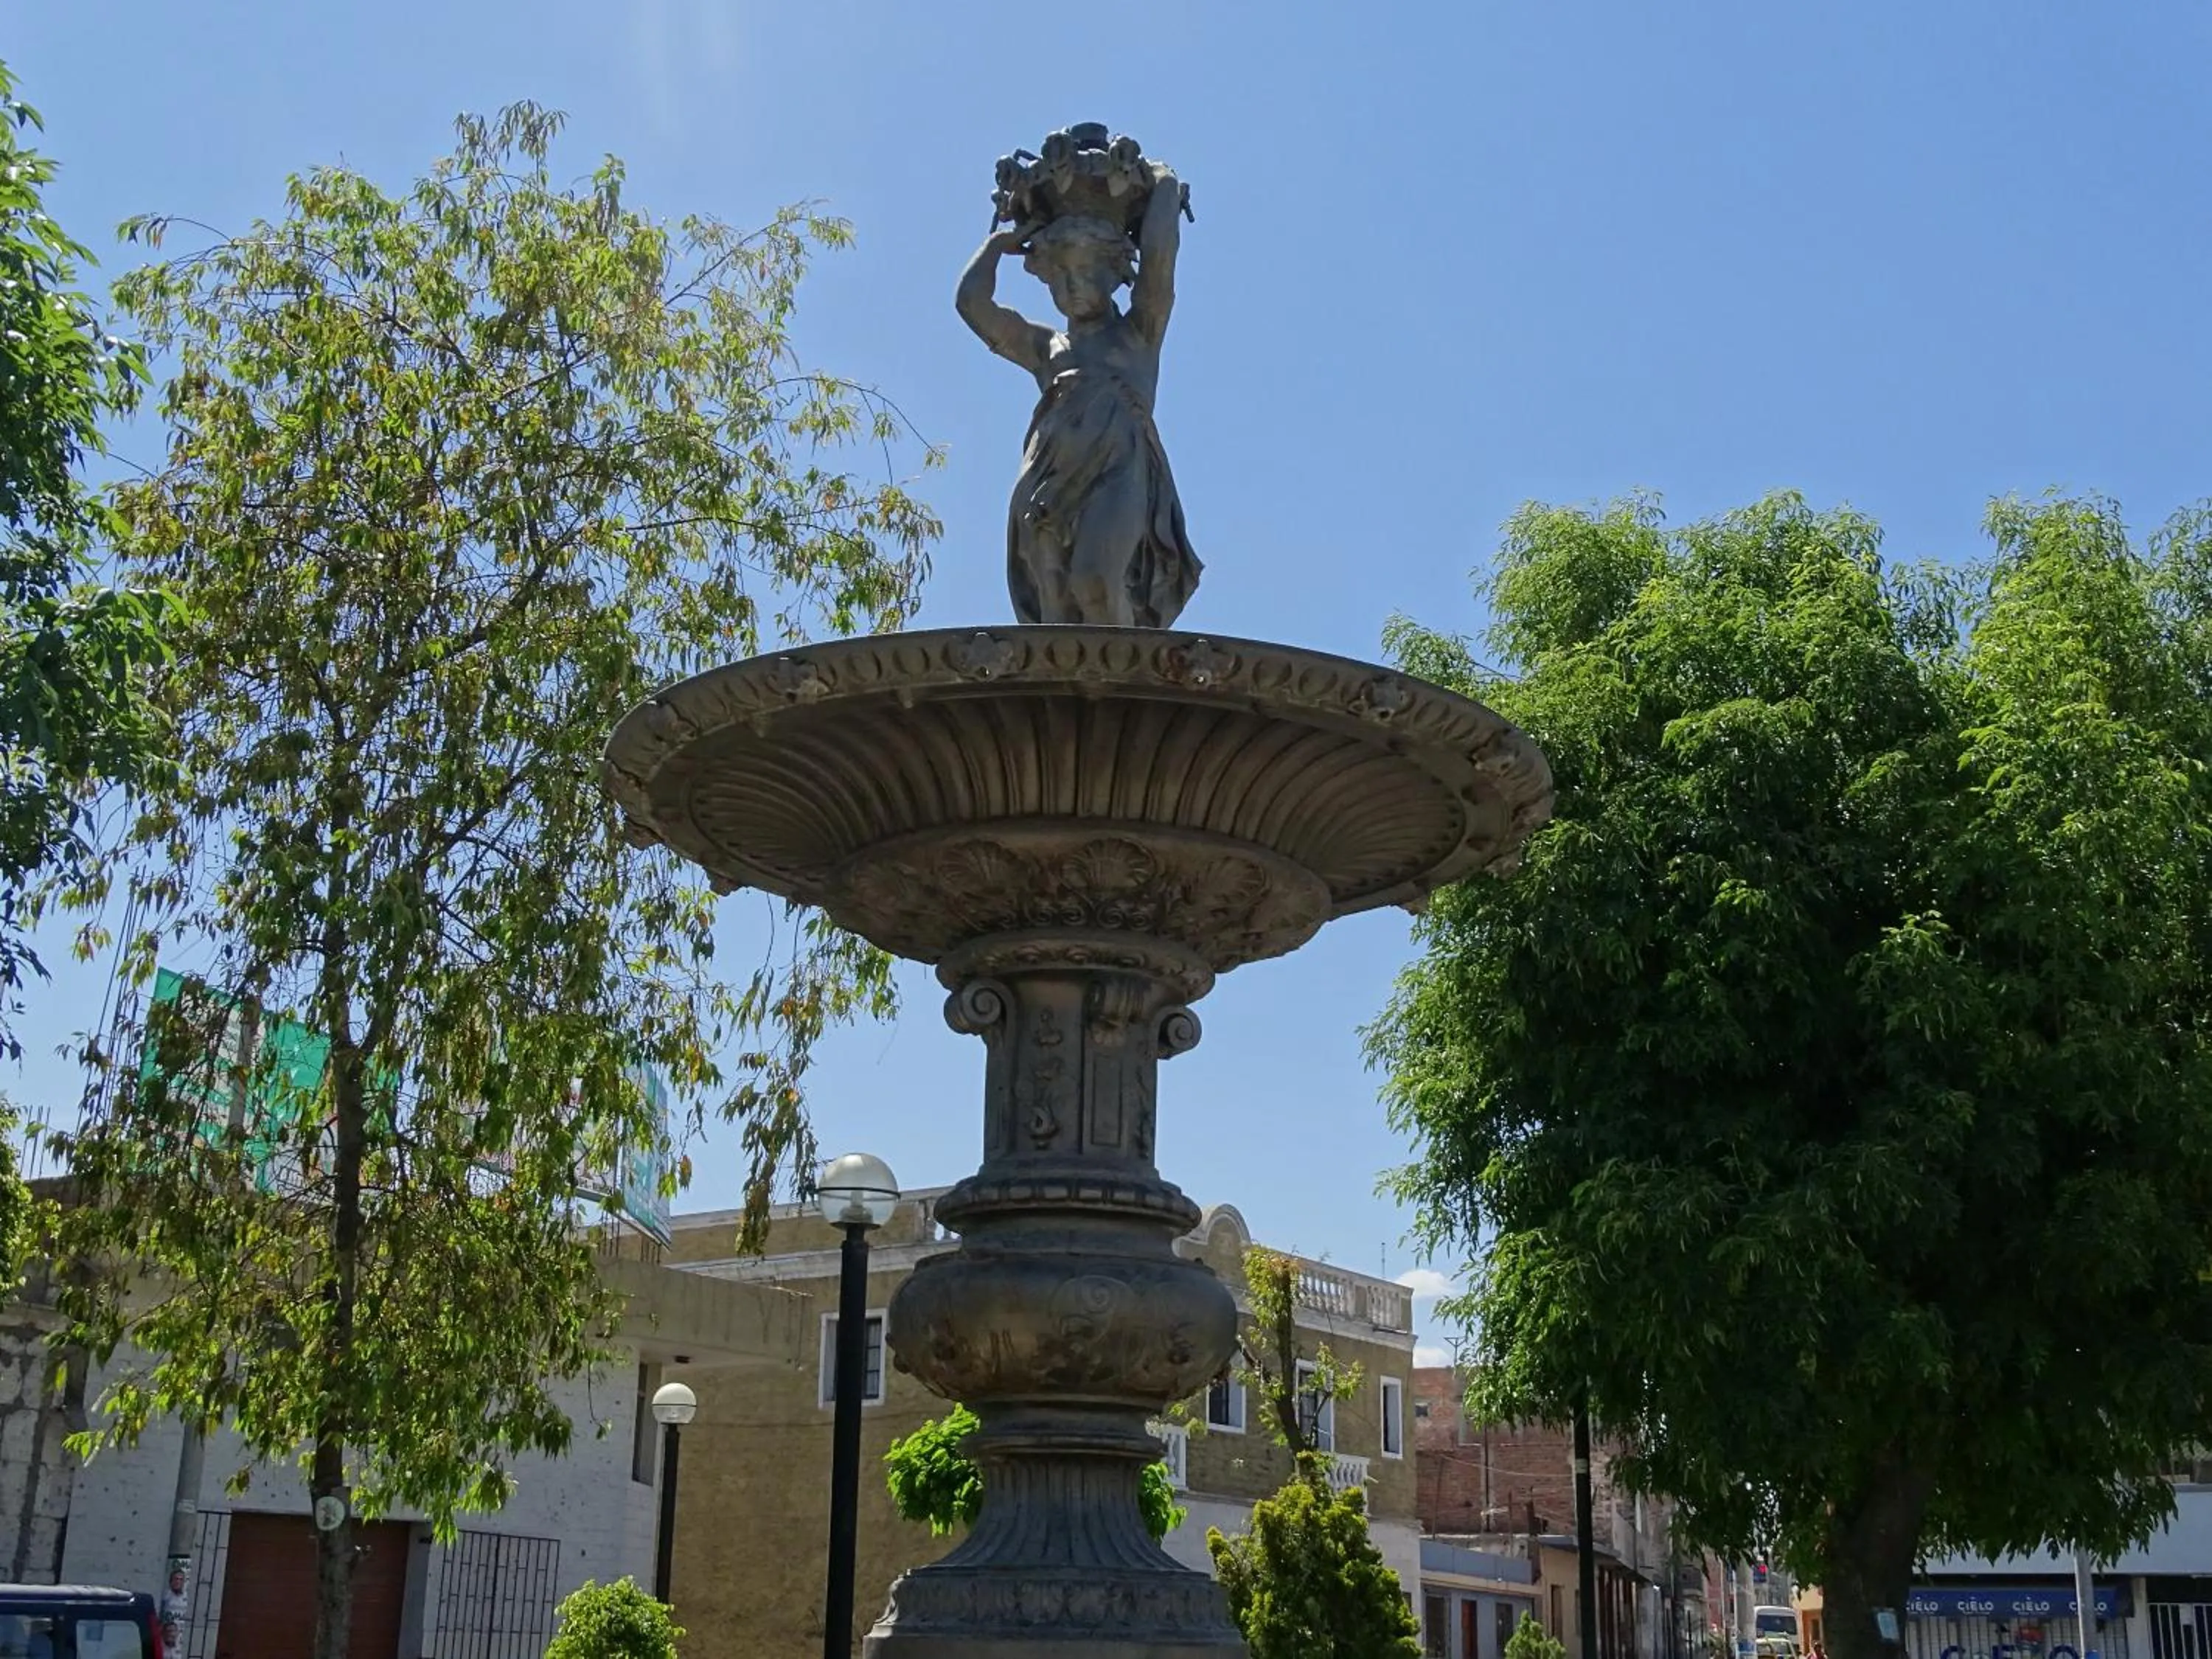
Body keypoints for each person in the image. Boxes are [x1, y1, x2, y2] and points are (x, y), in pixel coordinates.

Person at [956, 165, 1202, 629]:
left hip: (1116, 467)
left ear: (1114, 271)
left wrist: (1165, 186)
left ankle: (1125, 691)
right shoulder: (1046, 347)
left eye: (1086, 271)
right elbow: (973, 305)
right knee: (1053, 601)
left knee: (1094, 578)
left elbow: (1159, 259)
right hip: (1047, 478)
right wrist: (995, 249)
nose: (1072, 287)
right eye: (1060, 276)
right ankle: (1062, 698)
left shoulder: (1139, 333)